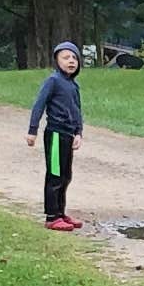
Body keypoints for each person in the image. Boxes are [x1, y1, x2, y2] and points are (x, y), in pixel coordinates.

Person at [25, 42, 86, 231]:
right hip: (56, 134)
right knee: (55, 175)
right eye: (66, 57)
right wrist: (32, 130)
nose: (71, 61)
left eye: (74, 58)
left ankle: (61, 212)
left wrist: (78, 132)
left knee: (66, 176)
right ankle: (52, 216)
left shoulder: (73, 86)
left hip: (68, 135)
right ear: (57, 61)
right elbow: (39, 104)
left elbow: (77, 110)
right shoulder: (53, 81)